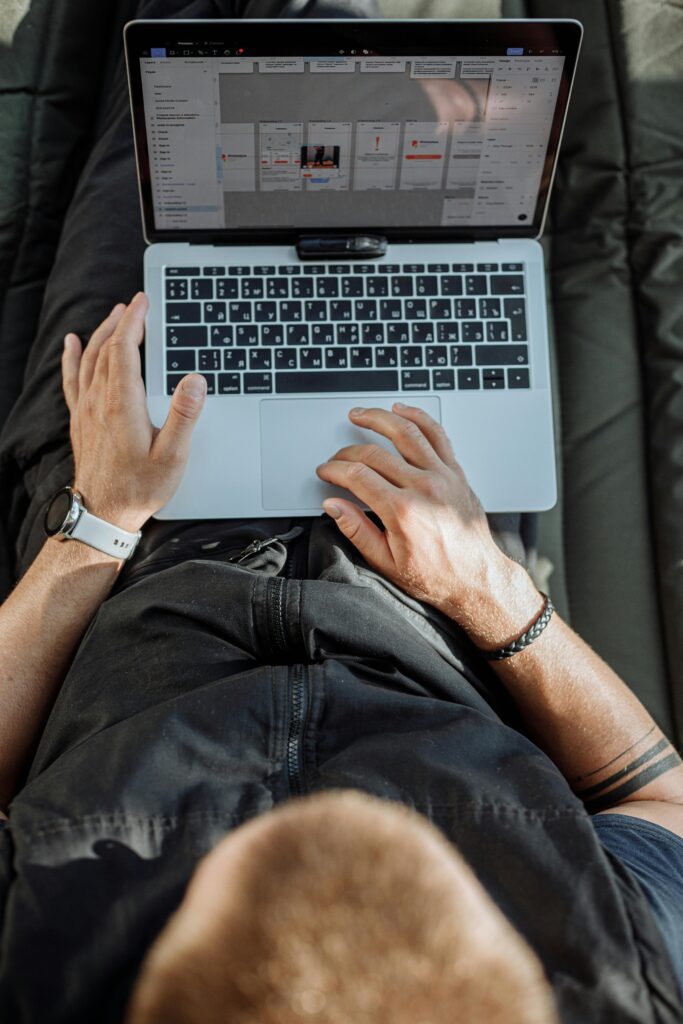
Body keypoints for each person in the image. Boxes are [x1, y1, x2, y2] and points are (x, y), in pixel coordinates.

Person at [0, 6, 682, 1024]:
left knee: (167, 104)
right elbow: (660, 802)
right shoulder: (609, 980)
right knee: (408, 128)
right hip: (429, 566)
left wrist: (97, 523)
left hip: (125, 550)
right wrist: (483, 584)